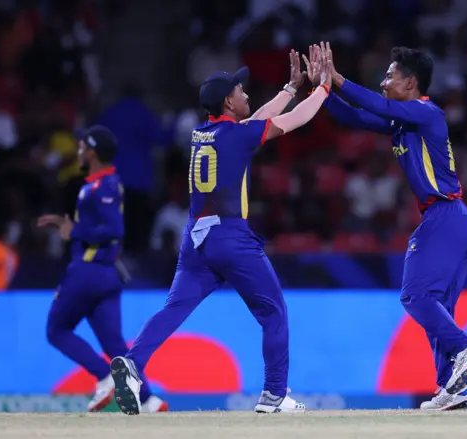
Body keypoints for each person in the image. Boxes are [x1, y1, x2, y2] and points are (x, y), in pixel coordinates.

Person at [110, 49, 333, 415]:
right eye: (241, 90)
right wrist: (322, 88)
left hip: (195, 240)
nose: (247, 95)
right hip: (231, 237)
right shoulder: (237, 135)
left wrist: (291, 87)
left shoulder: (204, 133)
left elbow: (257, 121)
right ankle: (274, 396)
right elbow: (294, 121)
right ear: (229, 101)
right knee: (274, 312)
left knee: (173, 308)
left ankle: (133, 365)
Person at [305, 43, 467, 411]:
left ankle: (465, 346)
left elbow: (377, 105)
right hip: (454, 220)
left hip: (445, 216)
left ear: (410, 82)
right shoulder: (402, 121)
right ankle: (452, 388)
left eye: (390, 75)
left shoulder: (426, 111)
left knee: (415, 296)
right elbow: (354, 117)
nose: (383, 81)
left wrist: (337, 78)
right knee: (439, 306)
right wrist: (320, 89)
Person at [37, 126, 167, 413]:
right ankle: (148, 400)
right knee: (115, 345)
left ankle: (104, 376)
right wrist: (65, 224)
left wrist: (73, 229)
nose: (78, 151)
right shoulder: (99, 183)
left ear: (92, 151)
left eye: (82, 146)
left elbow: (114, 229)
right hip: (106, 274)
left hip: (87, 272)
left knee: (56, 330)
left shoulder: (103, 185)